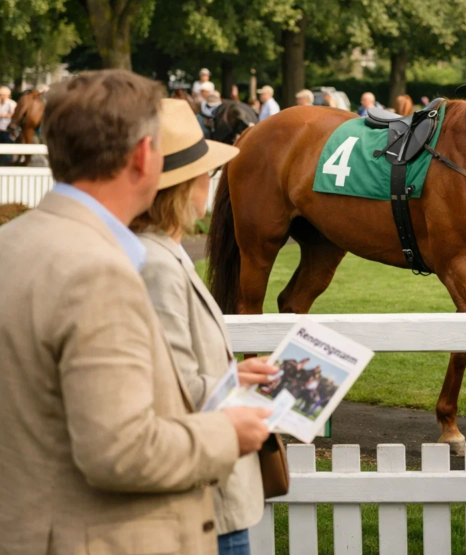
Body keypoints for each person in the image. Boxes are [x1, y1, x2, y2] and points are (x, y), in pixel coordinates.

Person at [0, 71, 271, 555]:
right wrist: (228, 432)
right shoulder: (101, 269)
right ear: (146, 156)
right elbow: (119, 452)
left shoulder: (12, 242)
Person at [131, 99, 278, 555]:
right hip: (206, 495)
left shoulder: (165, 251)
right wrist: (253, 399)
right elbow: (176, 387)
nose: (211, 184)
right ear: (185, 186)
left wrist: (240, 377)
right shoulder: (155, 262)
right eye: (207, 174)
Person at [0, 86, 17, 165]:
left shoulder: (12, 103)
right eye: (0, 94)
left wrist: (3, 115)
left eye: (3, 94)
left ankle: (5, 164)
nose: (2, 96)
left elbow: (13, 115)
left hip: (7, 130)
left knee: (7, 148)